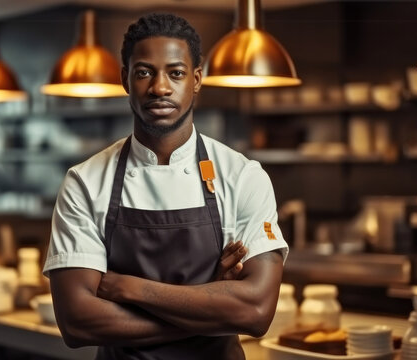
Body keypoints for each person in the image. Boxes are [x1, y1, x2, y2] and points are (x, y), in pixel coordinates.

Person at [43, 12, 289, 360]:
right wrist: (210, 307)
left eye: (176, 73)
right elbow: (78, 322)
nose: (160, 87)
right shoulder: (85, 182)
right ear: (125, 79)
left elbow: (256, 312)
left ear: (197, 79)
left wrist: (130, 288)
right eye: (144, 72)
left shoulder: (243, 176)